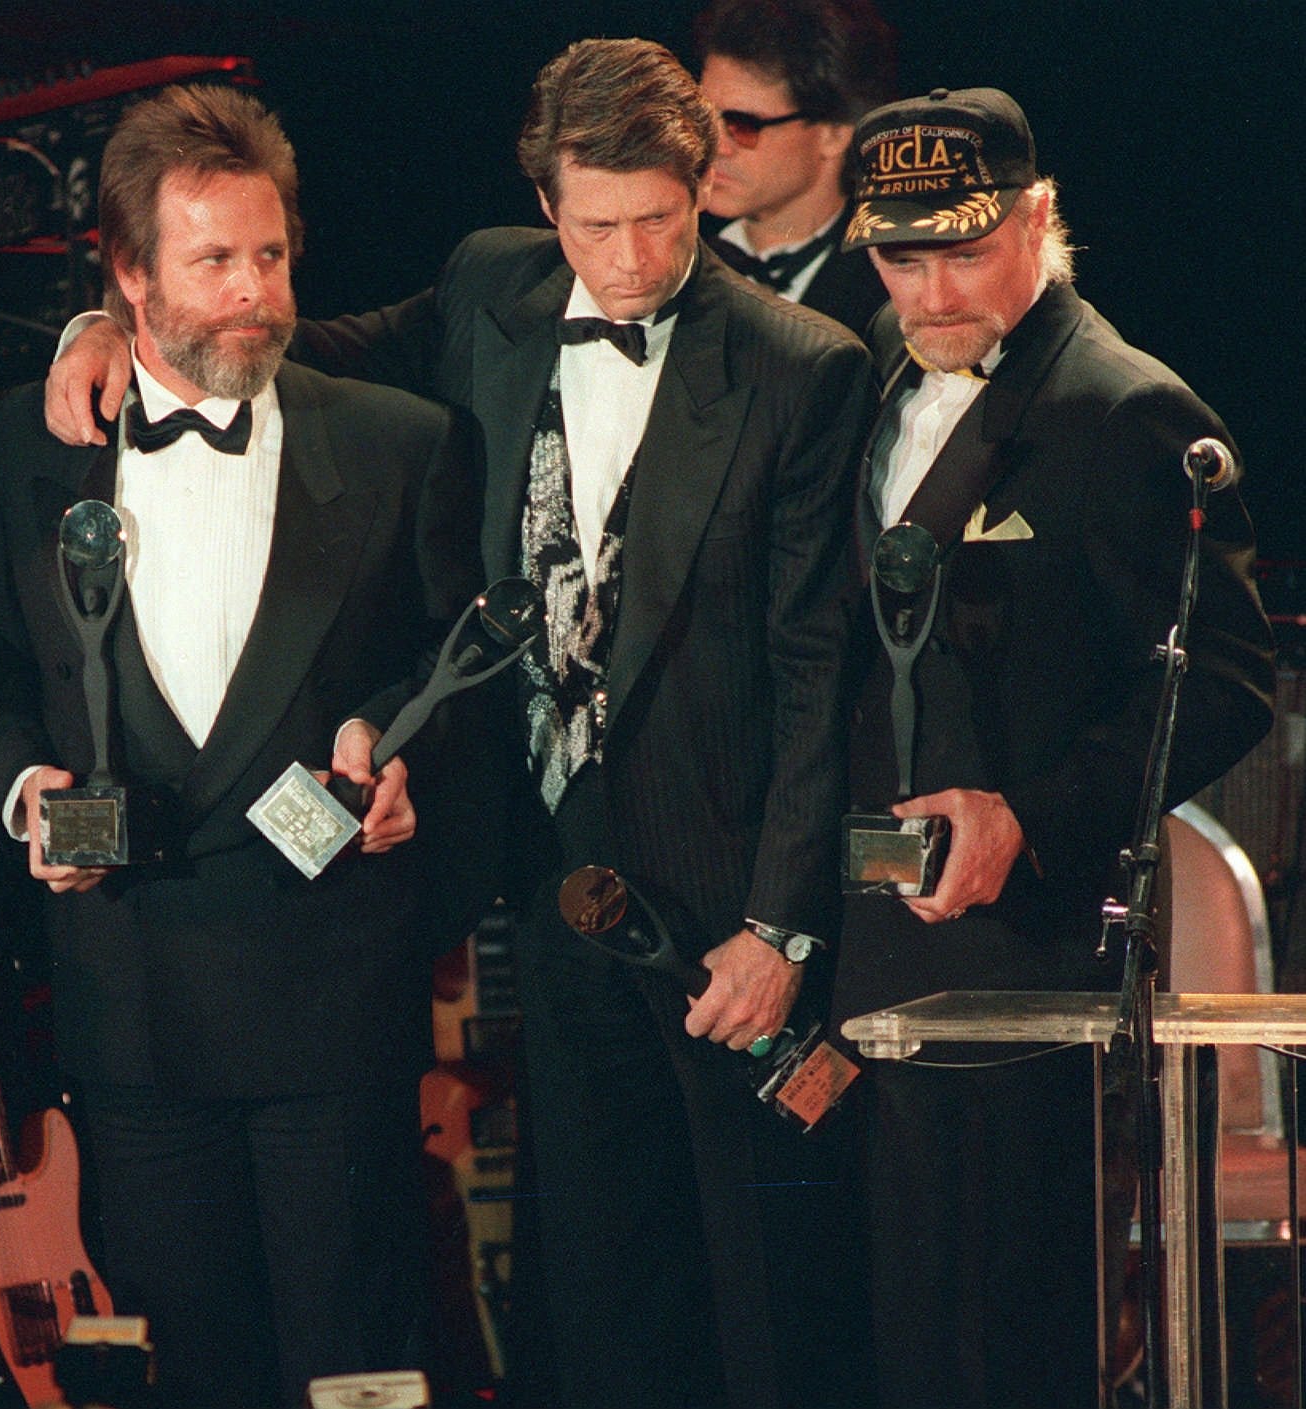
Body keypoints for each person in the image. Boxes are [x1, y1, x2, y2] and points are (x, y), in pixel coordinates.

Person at [47, 36, 872, 1409]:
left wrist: (780, 926)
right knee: (594, 1276)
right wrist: (104, 328)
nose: (626, 258)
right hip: (546, 865)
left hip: (721, 878)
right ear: (544, 205)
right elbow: (272, 338)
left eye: (659, 220)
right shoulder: (492, 280)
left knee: (757, 1277)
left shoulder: (801, 365)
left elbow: (812, 672)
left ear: (703, 183)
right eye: (595, 224)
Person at [0, 84, 477, 1407]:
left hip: (331, 1002)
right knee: (185, 1370)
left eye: (270, 254)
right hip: (128, 1011)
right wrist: (26, 792)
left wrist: (410, 749)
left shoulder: (394, 444)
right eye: (212, 262)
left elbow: (463, 662)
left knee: (355, 1370)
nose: (255, 291)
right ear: (128, 276)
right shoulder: (24, 456)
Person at [831, 87, 1275, 1406]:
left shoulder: (1119, 408)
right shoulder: (860, 373)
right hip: (870, 938)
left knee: (1000, 1328)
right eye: (899, 257)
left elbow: (1226, 683)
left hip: (1028, 962)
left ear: (1037, 220)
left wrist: (1028, 811)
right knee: (896, 1325)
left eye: (963, 251)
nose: (929, 290)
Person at [695, 0, 896, 334]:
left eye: (742, 124)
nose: (712, 146)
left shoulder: (890, 293)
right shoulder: (672, 263)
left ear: (833, 134)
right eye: (701, 113)